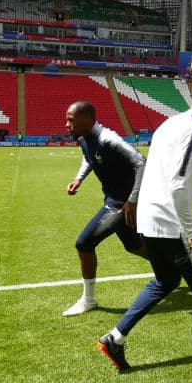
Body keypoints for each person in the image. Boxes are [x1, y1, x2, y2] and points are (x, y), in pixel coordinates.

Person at [96, 105, 192, 374]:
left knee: (166, 281)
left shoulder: (170, 123)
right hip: (170, 224)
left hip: (149, 220)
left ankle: (115, 337)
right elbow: (177, 186)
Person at [63, 101, 147, 317]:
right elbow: (88, 157)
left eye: (71, 120)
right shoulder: (84, 139)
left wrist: (133, 201)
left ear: (87, 120)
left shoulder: (108, 139)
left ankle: (88, 300)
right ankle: (176, 264)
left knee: (84, 243)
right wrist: (78, 179)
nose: (67, 124)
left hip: (121, 203)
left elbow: (140, 161)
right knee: (134, 246)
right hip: (114, 198)